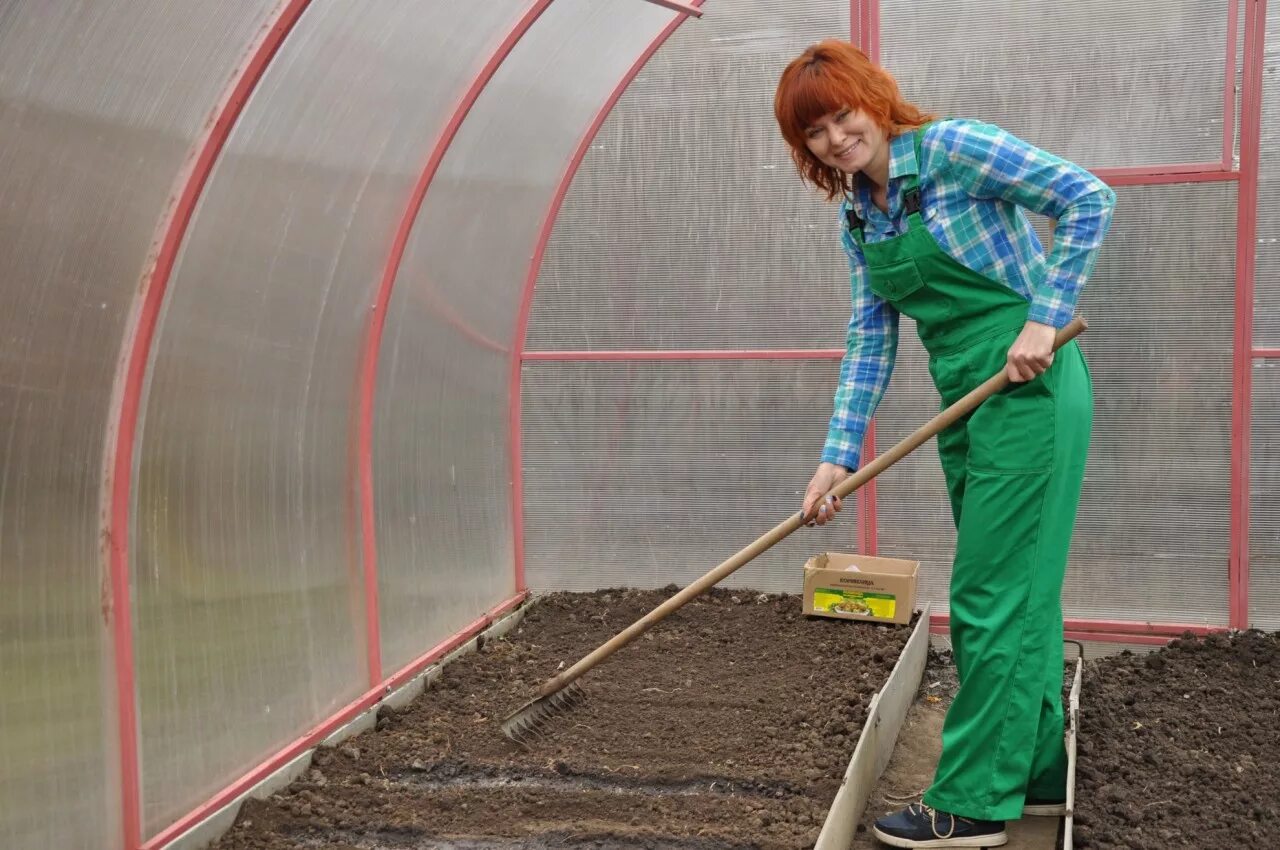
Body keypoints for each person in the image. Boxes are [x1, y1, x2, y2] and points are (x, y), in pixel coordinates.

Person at [773, 41, 1114, 849]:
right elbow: (869, 337)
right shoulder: (860, 214)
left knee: (989, 595)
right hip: (964, 392)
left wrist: (1042, 316)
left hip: (1026, 380)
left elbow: (1087, 197)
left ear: (874, 100)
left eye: (842, 114)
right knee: (1020, 590)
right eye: (813, 131)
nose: (834, 138)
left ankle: (970, 803)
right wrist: (837, 456)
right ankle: (1031, 770)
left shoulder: (955, 150)